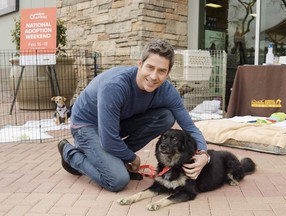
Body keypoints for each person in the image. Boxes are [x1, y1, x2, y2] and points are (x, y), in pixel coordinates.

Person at [58, 38, 209, 192]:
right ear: (139, 64)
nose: (154, 76)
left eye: (161, 71)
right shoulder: (115, 86)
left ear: (168, 72)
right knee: (117, 179)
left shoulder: (168, 91)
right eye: (150, 67)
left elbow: (190, 128)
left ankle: (112, 158)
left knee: (167, 116)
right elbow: (109, 140)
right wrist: (132, 158)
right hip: (86, 124)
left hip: (116, 123)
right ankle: (70, 154)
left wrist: (203, 154)